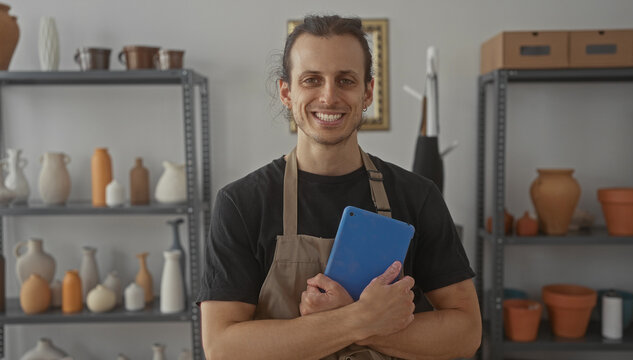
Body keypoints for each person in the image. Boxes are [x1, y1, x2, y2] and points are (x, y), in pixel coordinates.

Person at [198, 15, 481, 360]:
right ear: (287, 92)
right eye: (312, 80)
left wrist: (347, 322)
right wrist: (359, 319)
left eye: (345, 80)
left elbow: (466, 333)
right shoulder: (242, 204)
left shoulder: (418, 196)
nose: (329, 96)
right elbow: (222, 347)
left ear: (368, 92)